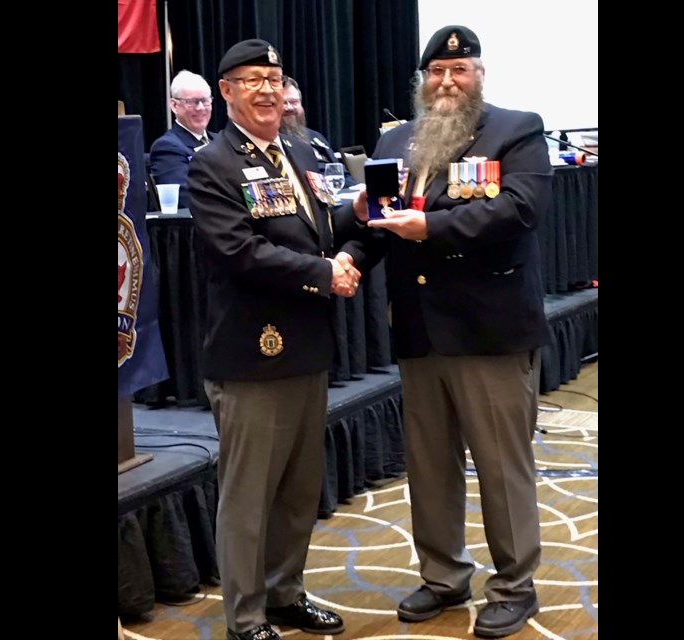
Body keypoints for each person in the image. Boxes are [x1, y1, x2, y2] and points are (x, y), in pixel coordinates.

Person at [338, 25, 553, 639]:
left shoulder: (516, 129)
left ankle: (516, 585)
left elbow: (519, 209)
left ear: (479, 74)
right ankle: (443, 575)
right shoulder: (397, 139)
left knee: (500, 466)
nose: (448, 81)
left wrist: (430, 228)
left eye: (460, 70)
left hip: (489, 330)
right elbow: (380, 220)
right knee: (430, 465)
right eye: (437, 71)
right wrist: (350, 254)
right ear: (422, 80)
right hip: (418, 328)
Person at [187, 39, 365, 640]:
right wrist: (324, 273)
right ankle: (246, 616)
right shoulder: (214, 163)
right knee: (249, 497)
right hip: (251, 353)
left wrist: (355, 216)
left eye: (274, 76)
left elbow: (312, 229)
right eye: (251, 79)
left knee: (296, 489)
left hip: (309, 347)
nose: (267, 89)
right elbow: (239, 251)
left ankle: (286, 593)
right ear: (227, 92)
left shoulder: (297, 149)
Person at [149, 70, 217, 206]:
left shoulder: (220, 140)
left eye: (205, 101)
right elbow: (186, 198)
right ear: (174, 105)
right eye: (192, 102)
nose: (200, 108)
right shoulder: (167, 147)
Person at [281, 76, 357, 188]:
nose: (289, 108)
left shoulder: (315, 136)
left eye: (294, 102)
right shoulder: (273, 142)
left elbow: (343, 175)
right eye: (284, 103)